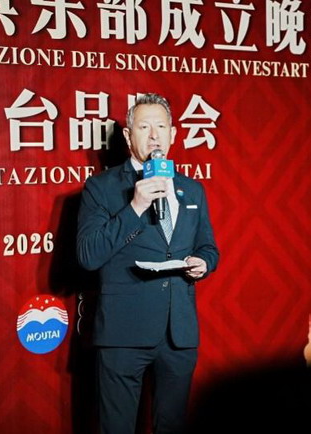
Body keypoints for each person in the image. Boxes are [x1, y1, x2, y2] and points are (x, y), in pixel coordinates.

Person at [76, 92, 219, 434]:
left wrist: (203, 263)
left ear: (173, 134)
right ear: (128, 136)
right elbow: (88, 255)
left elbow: (208, 247)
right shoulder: (101, 188)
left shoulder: (192, 189)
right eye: (144, 127)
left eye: (161, 127)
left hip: (179, 333)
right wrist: (135, 208)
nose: (154, 136)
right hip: (123, 333)